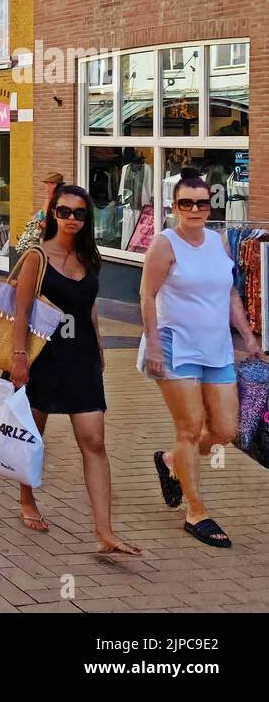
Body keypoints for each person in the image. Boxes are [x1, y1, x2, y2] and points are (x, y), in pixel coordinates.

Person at [9, 183, 138, 555]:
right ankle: (26, 498)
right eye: (64, 211)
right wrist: (19, 359)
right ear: (52, 213)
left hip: (81, 357)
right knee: (32, 436)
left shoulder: (90, 258)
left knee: (94, 441)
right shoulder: (37, 257)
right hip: (41, 356)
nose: (71, 219)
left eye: (79, 213)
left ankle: (105, 531)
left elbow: (90, 306)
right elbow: (22, 311)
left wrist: (98, 344)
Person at [140, 168, 261, 549]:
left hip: (217, 348)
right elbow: (146, 296)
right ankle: (196, 512)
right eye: (186, 203)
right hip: (176, 346)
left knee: (226, 429)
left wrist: (249, 339)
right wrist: (154, 347)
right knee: (190, 428)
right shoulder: (164, 244)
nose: (195, 209)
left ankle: (173, 461)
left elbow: (228, 295)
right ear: (174, 206)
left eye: (202, 202)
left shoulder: (220, 241)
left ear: (212, 205)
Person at [15, 171, 64, 255]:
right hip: (43, 240)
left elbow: (55, 223)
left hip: (52, 242)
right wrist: (35, 219)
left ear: (55, 185)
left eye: (48, 184)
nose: (46, 188)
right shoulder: (48, 200)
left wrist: (40, 224)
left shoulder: (59, 202)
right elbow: (42, 215)